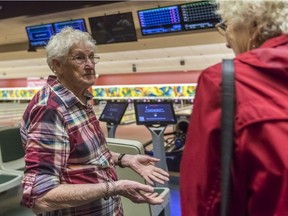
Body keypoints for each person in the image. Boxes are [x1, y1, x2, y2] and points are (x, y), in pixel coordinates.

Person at [20, 27, 169, 216]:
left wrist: (126, 159)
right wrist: (115, 187)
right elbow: (40, 196)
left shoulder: (80, 99)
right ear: (58, 65)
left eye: (92, 57)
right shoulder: (50, 110)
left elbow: (87, 155)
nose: (90, 64)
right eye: (80, 58)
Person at [180, 1, 288, 216]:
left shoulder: (224, 82)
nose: (228, 44)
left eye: (226, 26)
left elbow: (207, 198)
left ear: (254, 25)